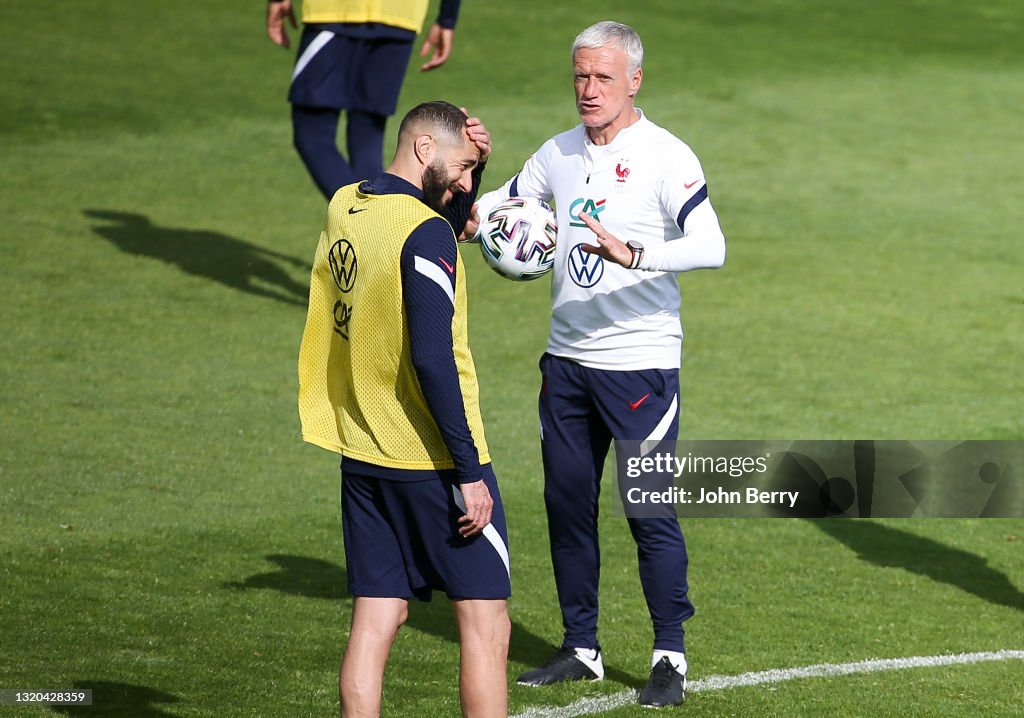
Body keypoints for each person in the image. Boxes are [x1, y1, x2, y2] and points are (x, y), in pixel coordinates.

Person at [469, 20, 726, 708]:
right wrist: (478, 180)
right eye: (580, 76)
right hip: (568, 367)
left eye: (603, 78)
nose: (588, 89)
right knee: (567, 508)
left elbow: (712, 245)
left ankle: (669, 653)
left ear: (634, 80)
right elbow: (498, 210)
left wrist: (635, 254)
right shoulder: (556, 153)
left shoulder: (667, 155)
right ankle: (581, 648)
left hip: (641, 368)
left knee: (648, 510)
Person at [297, 100, 510, 718]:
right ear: (424, 150)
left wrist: (478, 171)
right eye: (464, 168)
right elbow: (432, 359)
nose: (467, 184)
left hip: (361, 447)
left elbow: (432, 212)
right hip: (432, 458)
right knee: (486, 624)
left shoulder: (346, 203)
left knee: (377, 615)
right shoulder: (427, 233)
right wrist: (468, 470)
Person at [267, 0, 463, 199]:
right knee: (367, 136)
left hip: (338, 11)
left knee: (313, 134)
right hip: (402, 15)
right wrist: (448, 17)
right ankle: (377, 222)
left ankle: (370, 222)